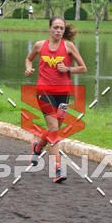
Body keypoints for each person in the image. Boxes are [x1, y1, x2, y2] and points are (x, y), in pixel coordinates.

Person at [25, 15, 87, 183]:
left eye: (61, 28)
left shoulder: (69, 47)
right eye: (56, 28)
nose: (59, 31)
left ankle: (37, 146)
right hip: (43, 91)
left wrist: (67, 68)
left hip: (63, 93)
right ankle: (57, 169)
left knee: (56, 128)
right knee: (54, 129)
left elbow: (83, 68)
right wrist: (29, 68)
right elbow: (29, 59)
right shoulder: (40, 45)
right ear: (49, 29)